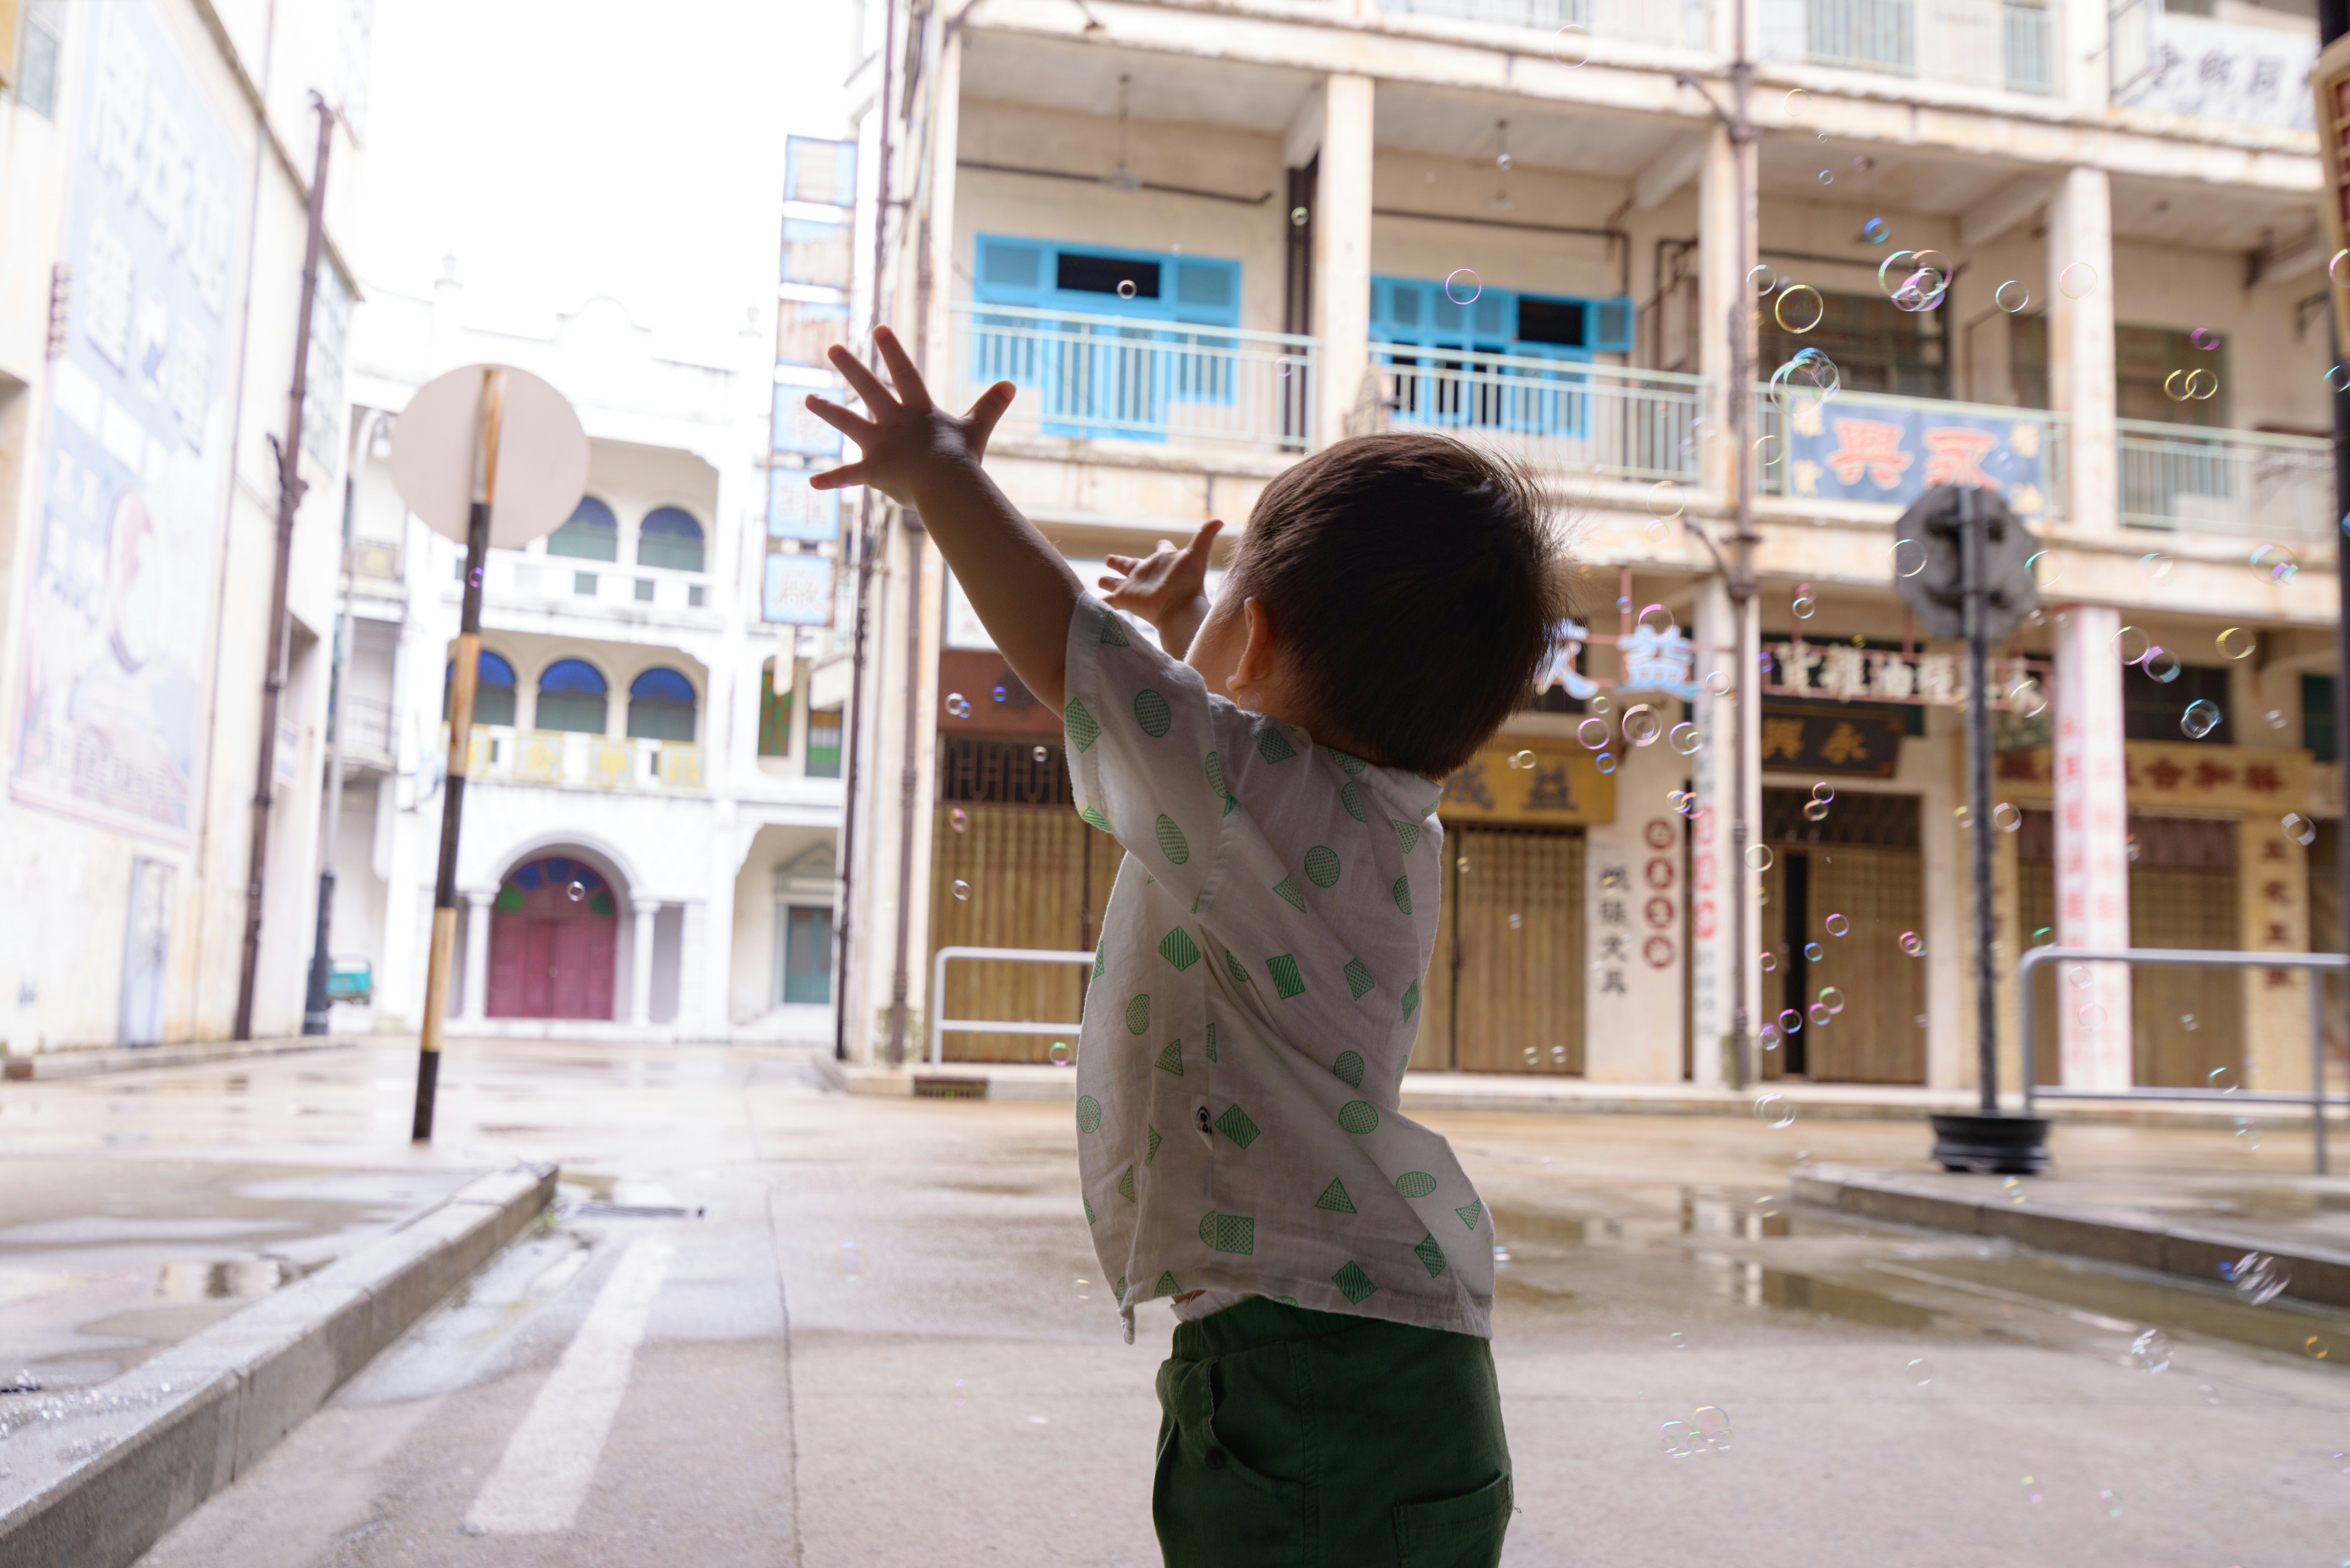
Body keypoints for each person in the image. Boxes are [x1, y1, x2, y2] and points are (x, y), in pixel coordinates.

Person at [807, 326, 1569, 1568]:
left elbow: (1082, 662)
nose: (1193, 657)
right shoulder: (1374, 826)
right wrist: (1191, 620)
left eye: (1223, 622)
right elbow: (1187, 714)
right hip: (1392, 1374)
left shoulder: (1256, 797)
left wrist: (944, 474)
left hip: (1307, 1374)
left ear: (1258, 644)